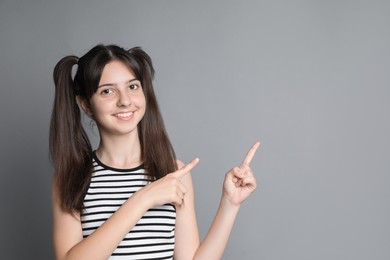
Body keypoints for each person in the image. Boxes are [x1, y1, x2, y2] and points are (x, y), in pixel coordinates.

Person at [49, 44, 260, 260]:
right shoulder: (71, 177)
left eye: (133, 87)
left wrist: (230, 204)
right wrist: (143, 199)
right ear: (85, 104)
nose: (125, 100)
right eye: (107, 91)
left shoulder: (173, 172)